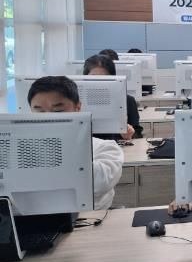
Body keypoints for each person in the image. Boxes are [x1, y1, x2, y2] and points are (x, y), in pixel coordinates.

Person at [27, 76, 124, 210]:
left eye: (58, 111)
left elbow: (99, 184)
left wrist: (57, 149)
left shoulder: (105, 148)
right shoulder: (19, 150)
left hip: (90, 219)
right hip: (29, 220)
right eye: (39, 112)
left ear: (77, 108)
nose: (48, 118)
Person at [83, 54, 141, 139]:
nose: (98, 83)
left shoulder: (127, 101)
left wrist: (130, 134)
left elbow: (138, 135)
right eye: (93, 78)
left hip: (118, 146)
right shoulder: (77, 103)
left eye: (103, 78)